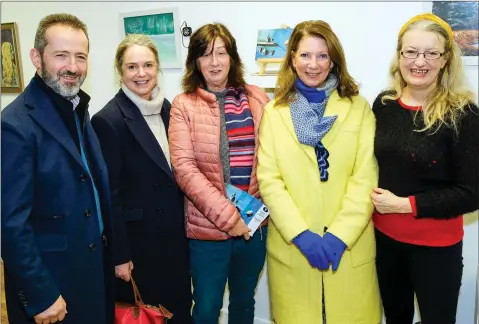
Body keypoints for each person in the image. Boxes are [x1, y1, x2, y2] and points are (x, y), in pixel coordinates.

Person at [256, 20, 381, 324]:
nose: (313, 65)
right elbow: (269, 180)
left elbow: (365, 176)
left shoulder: (359, 107)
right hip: (295, 250)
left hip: (349, 249)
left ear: (334, 59)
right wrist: (301, 235)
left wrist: (339, 236)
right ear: (292, 60)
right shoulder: (274, 113)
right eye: (305, 55)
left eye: (322, 56)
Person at [1, 13, 115, 324]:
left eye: (81, 56)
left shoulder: (77, 109)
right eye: (61, 55)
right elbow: (9, 224)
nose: (73, 66)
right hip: (52, 290)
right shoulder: (14, 125)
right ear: (37, 57)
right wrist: (40, 294)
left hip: (91, 274)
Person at [371, 13, 479, 324]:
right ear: (399, 55)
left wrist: (407, 206)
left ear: (446, 59)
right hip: (384, 240)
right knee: (396, 318)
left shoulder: (464, 115)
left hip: (436, 248)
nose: (421, 61)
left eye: (431, 53)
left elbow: (472, 194)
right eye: (411, 51)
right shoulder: (384, 104)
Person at [168, 23, 270, 324]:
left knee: (243, 301)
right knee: (207, 307)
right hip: (207, 231)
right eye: (206, 54)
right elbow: (184, 170)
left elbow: (273, 157)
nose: (214, 62)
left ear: (232, 57)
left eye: (221, 53)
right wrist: (229, 218)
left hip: (253, 227)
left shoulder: (257, 97)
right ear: (195, 61)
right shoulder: (183, 104)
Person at [91, 34, 192, 324]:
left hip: (174, 240)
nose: (141, 73)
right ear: (119, 71)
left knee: (178, 312)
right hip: (140, 248)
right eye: (132, 66)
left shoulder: (169, 109)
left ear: (157, 67)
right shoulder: (108, 120)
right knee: (148, 316)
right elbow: (110, 195)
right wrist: (119, 256)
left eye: (148, 65)